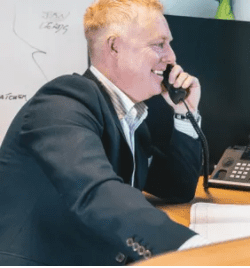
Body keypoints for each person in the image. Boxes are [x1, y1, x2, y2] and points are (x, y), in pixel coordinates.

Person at [0, 0, 210, 265]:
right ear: (114, 47)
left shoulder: (131, 120)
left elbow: (177, 188)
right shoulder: (62, 101)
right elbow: (96, 191)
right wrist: (191, 249)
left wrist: (185, 111)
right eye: (159, 44)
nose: (171, 57)